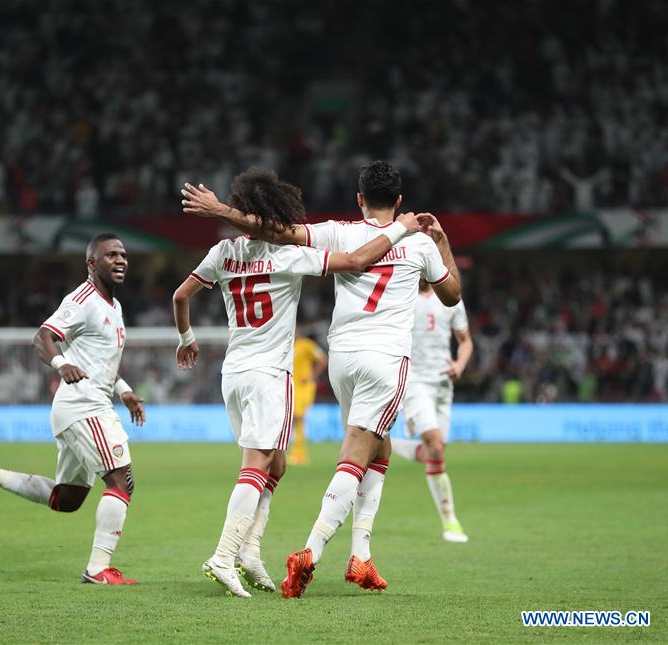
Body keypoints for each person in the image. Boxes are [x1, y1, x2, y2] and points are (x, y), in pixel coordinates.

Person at [182, 160, 461, 598]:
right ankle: (309, 552)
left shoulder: (339, 230)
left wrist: (223, 211)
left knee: (377, 445)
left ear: (359, 199)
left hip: (341, 358)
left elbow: (274, 230)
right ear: (400, 202)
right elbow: (451, 296)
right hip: (385, 358)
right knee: (354, 451)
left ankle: (362, 555)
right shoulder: (419, 242)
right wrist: (438, 242)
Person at [0, 234, 146, 585]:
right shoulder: (82, 299)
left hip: (84, 406)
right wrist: (60, 364)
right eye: (110, 254)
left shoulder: (113, 308)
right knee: (121, 480)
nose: (120, 260)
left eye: (123, 254)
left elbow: (101, 362)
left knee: (67, 499)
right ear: (91, 263)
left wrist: (125, 390)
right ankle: (98, 569)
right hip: (83, 405)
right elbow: (42, 336)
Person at [393, 279, 473, 542]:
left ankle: (392, 445)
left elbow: (465, 341)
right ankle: (450, 522)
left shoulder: (450, 298)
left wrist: (460, 365)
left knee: (433, 452)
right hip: (415, 380)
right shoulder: (401, 293)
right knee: (436, 446)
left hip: (443, 383)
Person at [289, 328, 328, 466]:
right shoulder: (287, 346)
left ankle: (299, 455)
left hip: (304, 386)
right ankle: (296, 452)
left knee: (298, 417)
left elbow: (323, 359)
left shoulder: (306, 345)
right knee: (294, 419)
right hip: (292, 386)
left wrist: (312, 376)